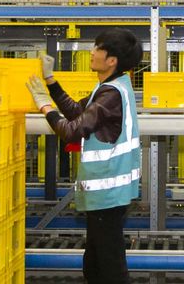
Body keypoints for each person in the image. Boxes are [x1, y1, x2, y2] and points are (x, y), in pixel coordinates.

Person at [28, 28, 143, 284]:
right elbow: (76, 111)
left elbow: (71, 131)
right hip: (107, 194)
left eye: (97, 48)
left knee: (109, 267)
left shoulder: (111, 94)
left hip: (108, 193)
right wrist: (50, 81)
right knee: (95, 264)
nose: (92, 52)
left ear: (111, 60)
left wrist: (44, 106)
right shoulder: (110, 87)